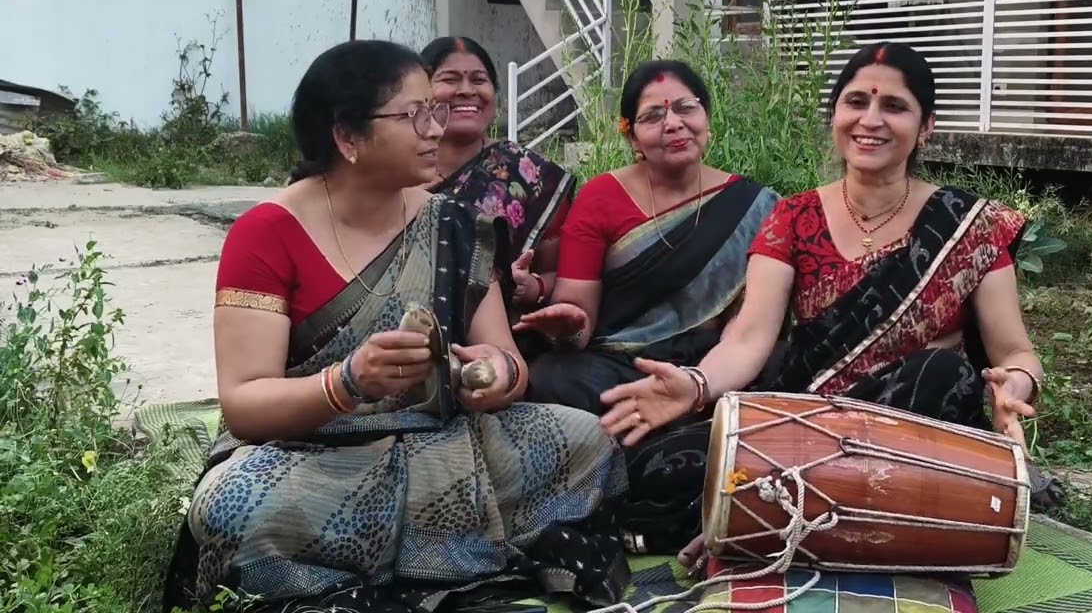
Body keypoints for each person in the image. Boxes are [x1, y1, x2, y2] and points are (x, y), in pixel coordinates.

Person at [162, 40, 629, 613]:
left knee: (587, 438)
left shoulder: (455, 224)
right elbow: (245, 403)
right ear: (348, 138)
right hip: (317, 456)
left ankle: (386, 552)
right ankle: (446, 543)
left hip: (449, 443)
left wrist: (485, 376)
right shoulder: (266, 233)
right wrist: (348, 382)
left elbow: (510, 364)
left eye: (433, 110)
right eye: (415, 114)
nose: (436, 128)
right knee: (231, 505)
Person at [596, 42, 1055, 566]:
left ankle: (758, 516)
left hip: (911, 430)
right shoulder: (792, 217)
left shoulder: (969, 228)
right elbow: (749, 339)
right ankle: (793, 511)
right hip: (801, 422)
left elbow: (1017, 352)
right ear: (835, 115)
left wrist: (1014, 384)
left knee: (945, 373)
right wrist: (696, 385)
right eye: (855, 102)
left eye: (894, 107)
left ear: (925, 126)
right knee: (654, 469)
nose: (870, 120)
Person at [513, 59, 782, 553]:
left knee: (766, 392)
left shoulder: (756, 206)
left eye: (686, 108)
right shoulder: (601, 198)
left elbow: (749, 322)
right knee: (551, 379)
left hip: (711, 360)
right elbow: (578, 317)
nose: (674, 123)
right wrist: (568, 324)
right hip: (618, 360)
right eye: (653, 116)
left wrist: (708, 377)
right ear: (632, 135)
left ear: (707, 120)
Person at [420, 36, 575, 313]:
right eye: (450, 79)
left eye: (479, 80)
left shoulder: (527, 172)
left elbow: (564, 274)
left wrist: (535, 286)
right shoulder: (393, 172)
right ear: (419, 94)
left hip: (502, 340)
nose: (467, 90)